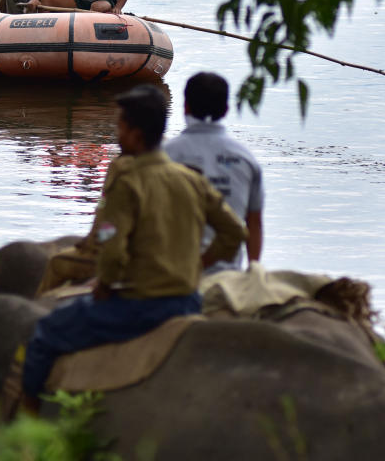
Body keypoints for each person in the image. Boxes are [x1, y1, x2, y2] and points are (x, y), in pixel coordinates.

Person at [21, 84, 246, 410]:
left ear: (137, 135)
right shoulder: (191, 180)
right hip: (188, 301)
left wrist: (106, 285)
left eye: (121, 128)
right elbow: (236, 233)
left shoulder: (127, 183)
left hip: (139, 307)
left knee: (44, 334)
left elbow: (110, 248)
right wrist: (201, 263)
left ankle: (25, 416)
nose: (117, 135)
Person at [163, 72, 264, 271]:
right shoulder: (246, 159)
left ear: (185, 106)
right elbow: (254, 224)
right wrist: (253, 275)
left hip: (172, 274)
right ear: (226, 110)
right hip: (228, 277)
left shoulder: (164, 155)